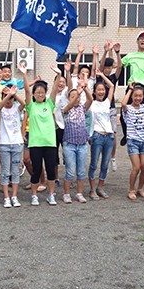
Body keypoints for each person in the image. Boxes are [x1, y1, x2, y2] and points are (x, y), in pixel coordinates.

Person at [23, 64, 60, 205]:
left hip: (50, 143)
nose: (40, 94)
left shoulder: (49, 104)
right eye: (37, 92)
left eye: (42, 92)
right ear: (33, 94)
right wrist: (24, 74)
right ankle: (34, 195)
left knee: (51, 171)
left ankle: (51, 195)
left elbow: (55, 89)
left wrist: (59, 74)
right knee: (36, 171)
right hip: (35, 143)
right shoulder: (31, 106)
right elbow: (26, 90)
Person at [61, 74, 92, 204]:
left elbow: (90, 99)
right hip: (69, 145)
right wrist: (77, 92)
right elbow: (69, 105)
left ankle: (79, 193)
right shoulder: (66, 109)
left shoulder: (82, 108)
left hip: (82, 144)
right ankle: (66, 194)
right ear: (68, 98)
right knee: (70, 171)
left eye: (77, 97)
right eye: (72, 96)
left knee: (81, 171)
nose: (76, 98)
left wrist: (85, 88)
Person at [0, 85, 26, 208]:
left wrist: (14, 93)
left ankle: (14, 196)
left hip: (17, 143)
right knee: (5, 172)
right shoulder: (1, 110)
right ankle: (6, 197)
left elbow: (23, 103)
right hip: (4, 143)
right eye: (6, 97)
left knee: (15, 171)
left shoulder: (17, 109)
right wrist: (8, 94)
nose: (9, 100)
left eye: (11, 98)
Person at [88, 71, 115, 201]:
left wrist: (102, 75)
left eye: (103, 89)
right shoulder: (91, 104)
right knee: (94, 164)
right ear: (94, 92)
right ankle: (92, 189)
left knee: (105, 164)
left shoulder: (107, 102)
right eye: (98, 90)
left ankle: (100, 187)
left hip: (109, 137)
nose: (101, 92)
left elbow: (112, 86)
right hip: (97, 136)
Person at [98, 40, 123, 171]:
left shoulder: (113, 78)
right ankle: (105, 160)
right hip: (100, 109)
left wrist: (117, 53)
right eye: (105, 67)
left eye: (109, 67)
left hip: (111, 109)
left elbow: (120, 67)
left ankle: (112, 158)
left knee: (113, 134)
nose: (107, 69)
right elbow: (101, 65)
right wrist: (105, 51)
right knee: (103, 135)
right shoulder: (98, 77)